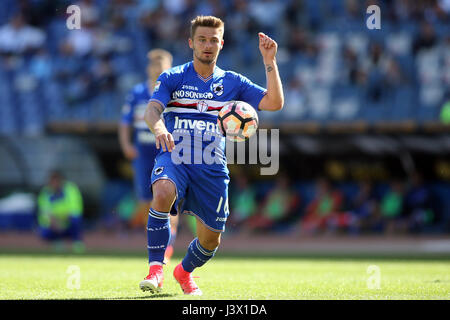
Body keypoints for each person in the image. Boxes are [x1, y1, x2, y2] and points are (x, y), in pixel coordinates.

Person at [140, 15, 283, 295]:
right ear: (191, 42)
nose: (208, 45)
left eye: (213, 40)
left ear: (221, 44)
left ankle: (184, 272)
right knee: (162, 192)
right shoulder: (173, 76)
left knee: (210, 241)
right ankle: (155, 270)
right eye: (202, 40)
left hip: (211, 165)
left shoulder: (233, 82)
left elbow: (275, 103)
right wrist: (158, 128)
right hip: (175, 155)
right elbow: (152, 110)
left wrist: (270, 60)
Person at [118, 48, 179, 263]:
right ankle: (156, 241)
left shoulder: (175, 92)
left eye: (162, 67)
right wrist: (126, 144)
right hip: (143, 154)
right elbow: (125, 122)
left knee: (169, 199)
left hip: (166, 150)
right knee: (145, 201)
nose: (157, 71)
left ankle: (168, 246)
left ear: (169, 69)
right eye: (154, 66)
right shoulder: (136, 93)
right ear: (148, 68)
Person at [37, 170, 84, 253]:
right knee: (43, 230)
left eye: (57, 181)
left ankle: (77, 243)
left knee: (76, 220)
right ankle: (57, 241)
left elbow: (75, 210)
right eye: (52, 181)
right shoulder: (45, 192)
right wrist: (54, 222)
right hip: (54, 224)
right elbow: (44, 212)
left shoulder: (71, 189)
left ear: (61, 181)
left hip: (67, 221)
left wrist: (62, 220)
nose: (55, 184)